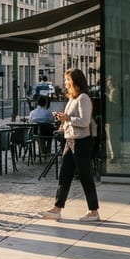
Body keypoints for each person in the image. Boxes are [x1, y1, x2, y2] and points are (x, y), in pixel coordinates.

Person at [41, 69, 100, 223]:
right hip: (70, 140)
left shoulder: (83, 98)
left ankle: (93, 211)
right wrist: (62, 120)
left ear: (75, 81)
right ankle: (57, 209)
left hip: (81, 141)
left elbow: (85, 122)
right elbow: (70, 120)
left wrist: (68, 118)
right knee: (64, 175)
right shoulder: (72, 99)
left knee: (85, 175)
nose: (65, 83)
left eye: (67, 80)